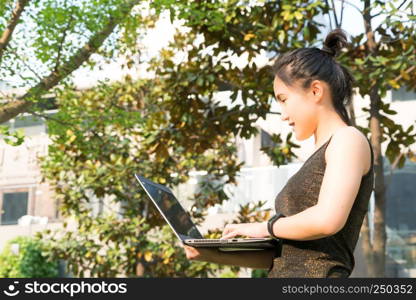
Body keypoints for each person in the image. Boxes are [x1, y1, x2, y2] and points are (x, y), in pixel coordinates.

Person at [182, 29, 375, 278]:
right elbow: (283, 256)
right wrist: (210, 252)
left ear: (316, 91)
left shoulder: (349, 140)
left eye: (283, 99)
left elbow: (328, 220)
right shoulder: (322, 153)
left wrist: (263, 227)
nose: (282, 114)